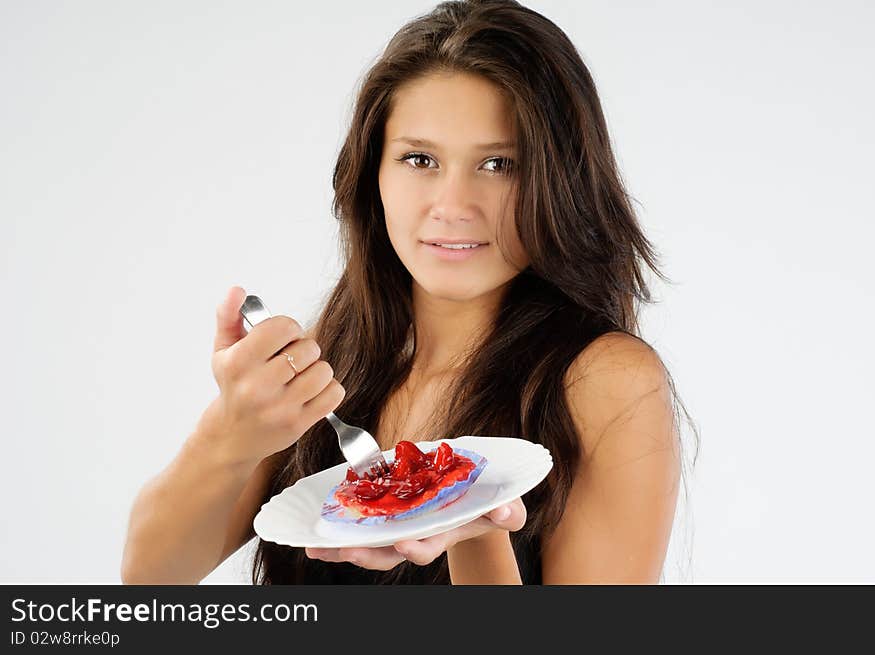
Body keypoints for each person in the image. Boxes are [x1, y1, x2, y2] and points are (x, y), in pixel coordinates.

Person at [122, 0, 695, 585]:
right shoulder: (332, 353)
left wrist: (476, 530)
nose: (452, 206)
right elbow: (149, 580)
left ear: (561, 181)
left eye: (499, 164)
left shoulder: (606, 381)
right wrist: (229, 434)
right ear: (373, 174)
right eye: (420, 159)